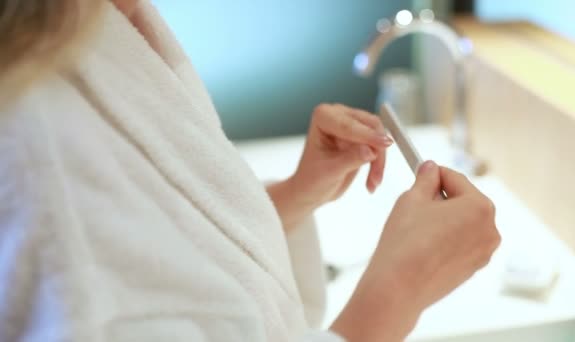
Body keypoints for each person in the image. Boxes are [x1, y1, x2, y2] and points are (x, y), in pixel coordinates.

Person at [0, 1, 500, 341]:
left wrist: (294, 197)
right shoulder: (29, 126)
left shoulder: (110, 23)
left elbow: (152, 249)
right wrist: (397, 292)